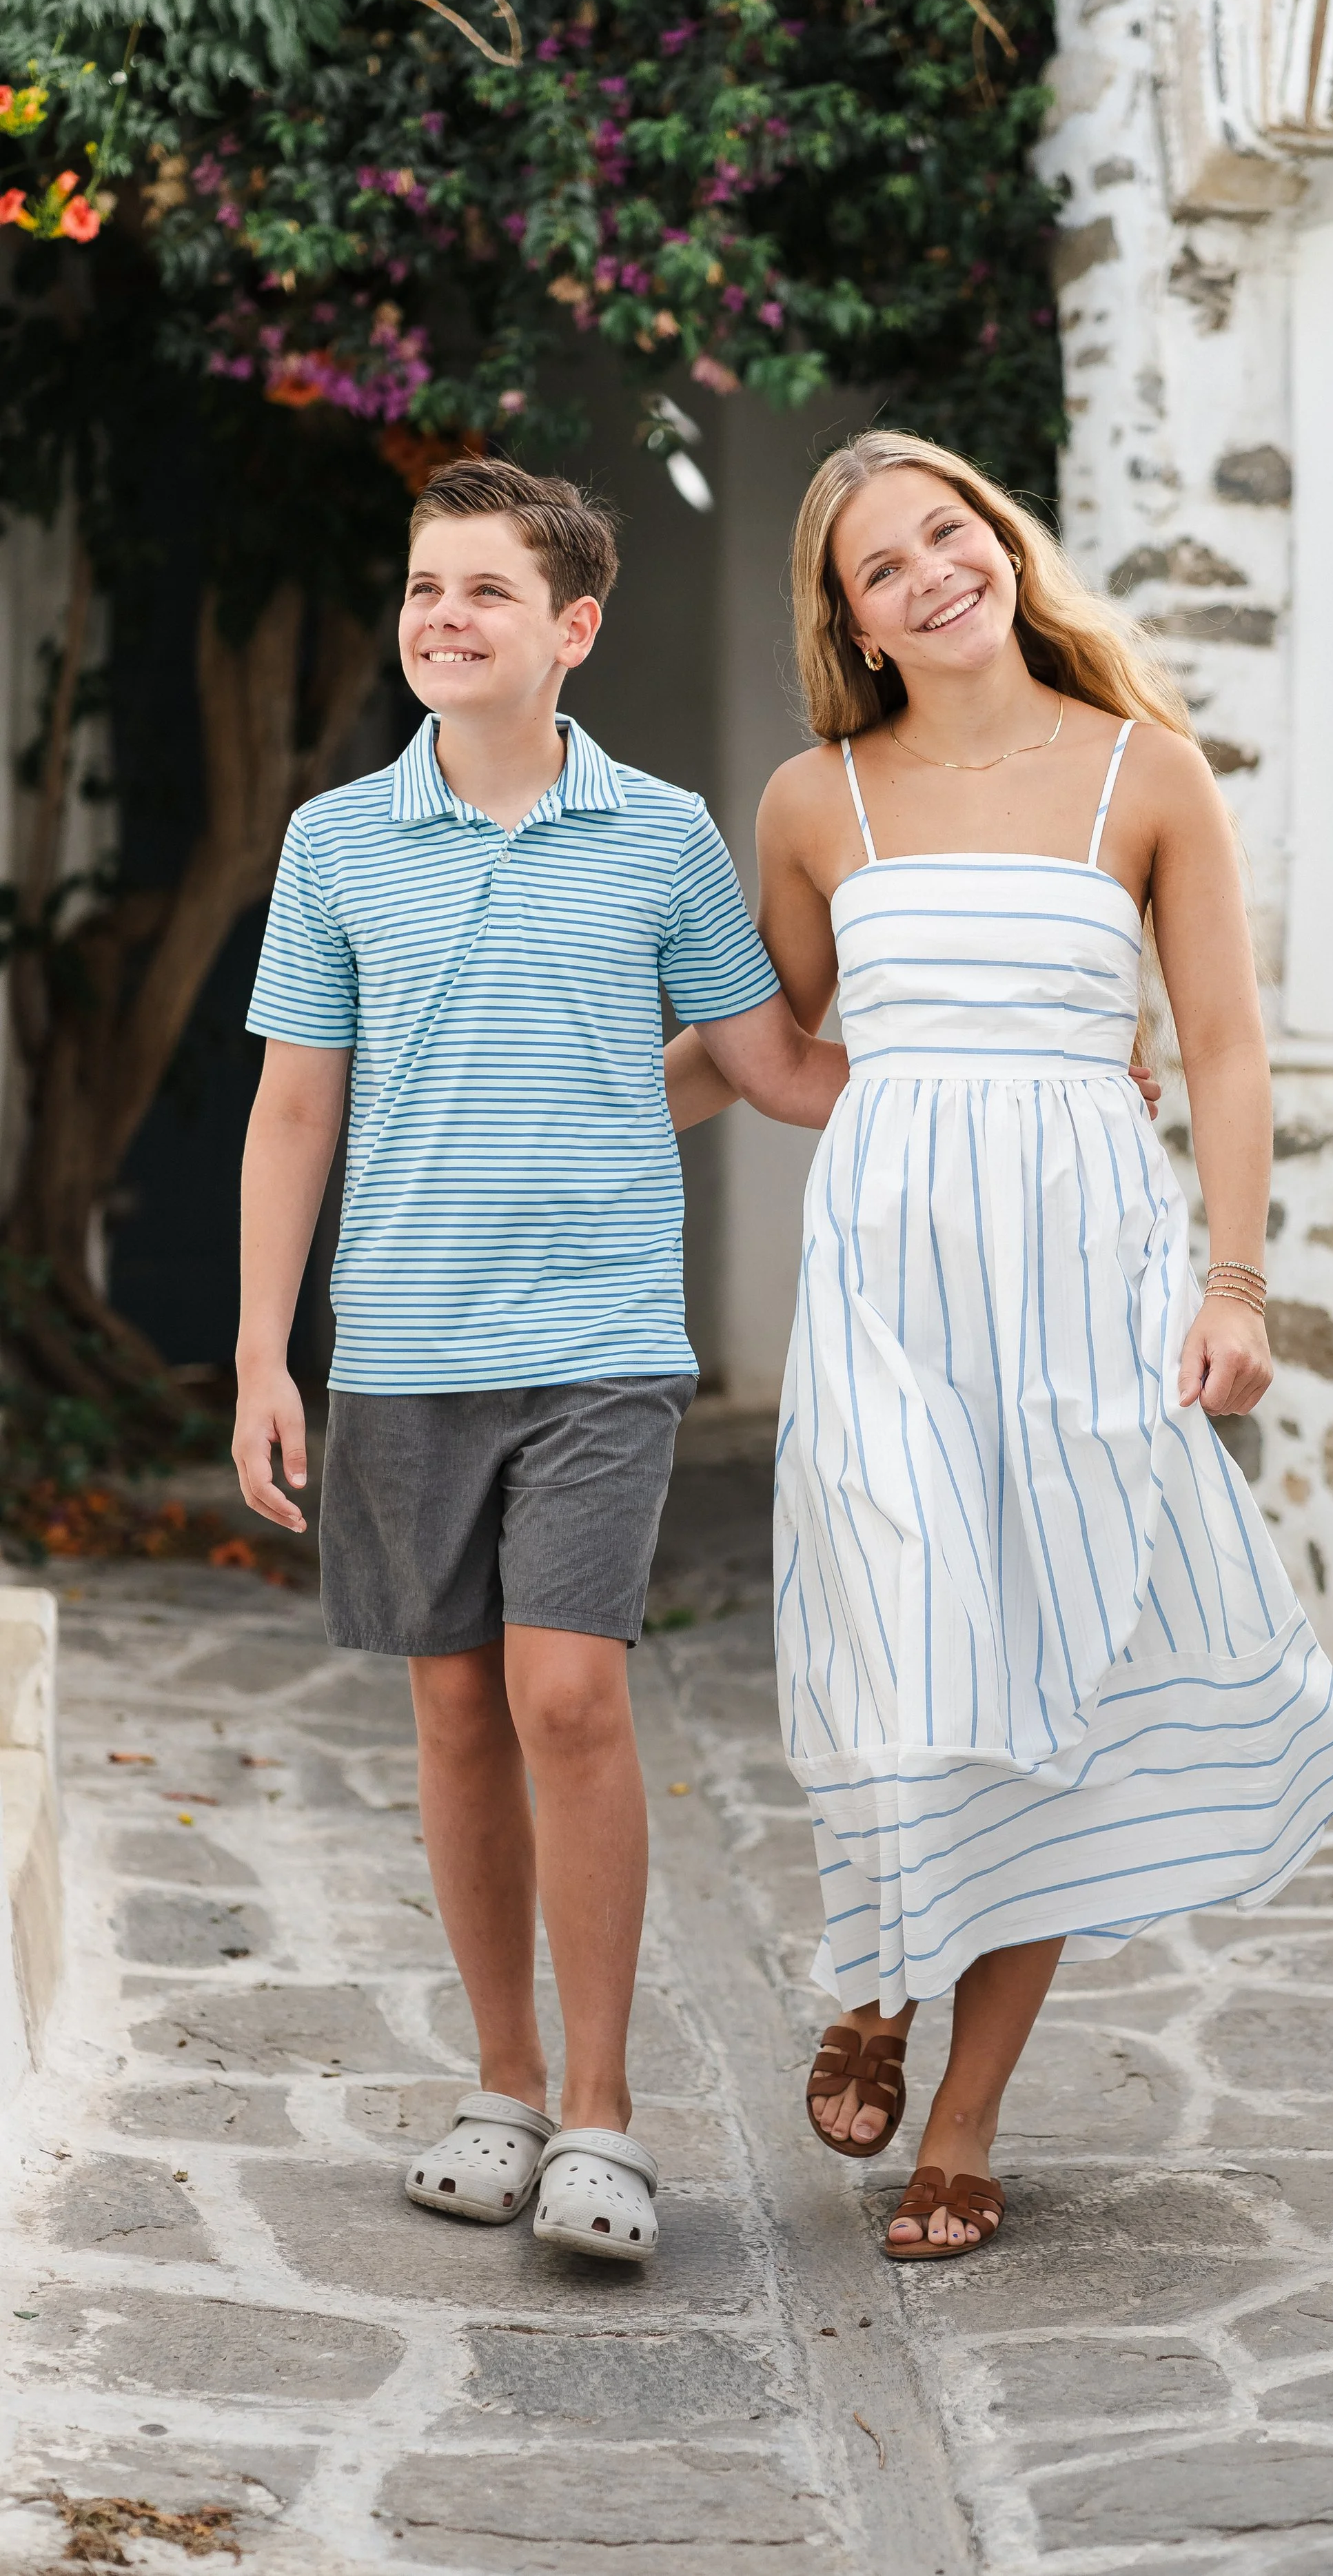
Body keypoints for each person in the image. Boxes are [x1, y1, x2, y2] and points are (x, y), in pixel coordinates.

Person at [688, 429, 1333, 2260]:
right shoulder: (810, 799)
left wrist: (1231, 1286)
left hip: (1091, 1267)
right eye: (881, 566)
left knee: (1052, 1676)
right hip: (889, 1274)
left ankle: (966, 2116)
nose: (932, 572)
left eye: (950, 531)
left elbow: (1224, 1043)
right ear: (848, 621)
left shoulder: (1142, 771)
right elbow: (773, 1048)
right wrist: (546, 1114)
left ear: (1001, 545)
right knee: (902, 1642)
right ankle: (879, 1966)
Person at [232, 454, 846, 2265]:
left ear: (571, 629)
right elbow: (290, 1108)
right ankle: (500, 2081)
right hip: (403, 1341)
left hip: (598, 1341)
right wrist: (267, 1353)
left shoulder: (662, 838)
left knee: (565, 1694)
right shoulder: (336, 842)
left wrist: (997, 1071)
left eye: (484, 591)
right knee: (447, 1705)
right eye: (426, 587)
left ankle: (601, 2110)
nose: (444, 617)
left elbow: (767, 1061)